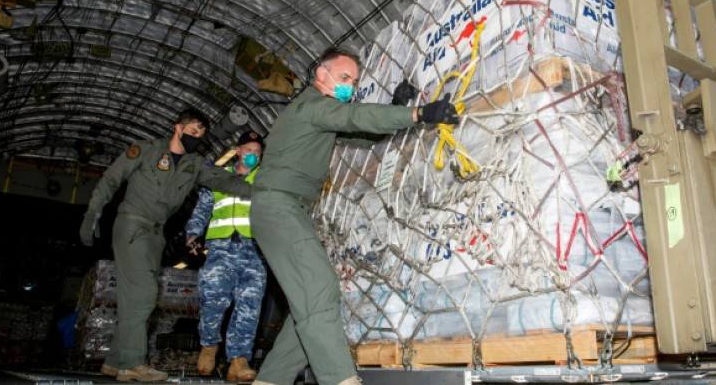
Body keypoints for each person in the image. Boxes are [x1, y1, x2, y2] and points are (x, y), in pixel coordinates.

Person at [249, 47, 458, 385]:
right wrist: (419, 114)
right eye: (344, 77)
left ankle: (271, 379)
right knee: (319, 289)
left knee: (312, 300)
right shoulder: (312, 107)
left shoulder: (322, 114)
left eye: (354, 81)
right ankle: (339, 378)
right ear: (321, 74)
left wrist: (394, 110)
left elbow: (362, 130)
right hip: (278, 206)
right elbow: (354, 117)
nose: (350, 85)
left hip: (290, 209)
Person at [79, 108, 253, 382]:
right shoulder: (146, 151)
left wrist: (264, 190)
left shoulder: (194, 165)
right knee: (146, 293)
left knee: (132, 298)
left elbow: (226, 182)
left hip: (156, 235)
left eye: (201, 135)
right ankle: (132, 363)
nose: (197, 138)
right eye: (193, 131)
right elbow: (111, 179)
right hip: (132, 225)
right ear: (178, 128)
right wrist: (92, 215)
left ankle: (115, 362)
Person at [185, 130, 266, 381]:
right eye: (248, 150)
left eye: (257, 152)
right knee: (212, 300)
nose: (252, 155)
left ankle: (239, 360)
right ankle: (209, 348)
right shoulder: (218, 177)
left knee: (249, 306)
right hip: (220, 249)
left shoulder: (264, 178)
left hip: (254, 250)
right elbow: (203, 208)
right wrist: (192, 234)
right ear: (238, 150)